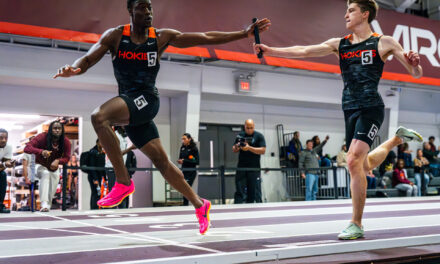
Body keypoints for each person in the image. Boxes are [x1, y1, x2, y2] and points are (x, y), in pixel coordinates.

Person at [53, 0, 270, 234]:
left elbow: (205, 37)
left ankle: (123, 182)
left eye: (150, 8)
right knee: (163, 163)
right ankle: (200, 204)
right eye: (142, 7)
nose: (147, 12)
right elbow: (86, 59)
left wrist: (242, 33)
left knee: (99, 117)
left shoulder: (161, 37)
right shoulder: (115, 36)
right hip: (131, 108)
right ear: (130, 11)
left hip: (147, 99)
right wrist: (74, 69)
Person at [254, 0, 423, 239]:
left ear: (365, 14)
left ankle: (356, 223)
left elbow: (415, 73)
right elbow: (305, 51)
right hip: (349, 109)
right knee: (362, 166)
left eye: (351, 10)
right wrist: (271, 50)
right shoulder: (339, 44)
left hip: (371, 107)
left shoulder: (383, 42)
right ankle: (396, 139)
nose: (346, 15)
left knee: (353, 160)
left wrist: (415, 65)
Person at [24, 121, 71, 212]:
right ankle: (44, 203)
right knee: (45, 173)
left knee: (54, 182)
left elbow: (67, 158)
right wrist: (41, 151)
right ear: (50, 130)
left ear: (62, 130)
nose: (57, 130)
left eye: (59, 128)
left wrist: (58, 161)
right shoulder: (42, 137)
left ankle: (47, 205)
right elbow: (27, 148)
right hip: (38, 165)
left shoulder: (65, 141)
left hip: (53, 168)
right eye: (54, 128)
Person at [232, 119, 266, 204]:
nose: (249, 130)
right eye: (247, 128)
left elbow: (263, 150)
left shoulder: (259, 136)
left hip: (254, 168)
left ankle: (251, 210)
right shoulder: (240, 135)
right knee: (239, 191)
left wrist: (249, 148)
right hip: (241, 167)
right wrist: (237, 146)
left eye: (251, 128)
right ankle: (237, 209)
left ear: (254, 126)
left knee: (253, 191)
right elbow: (234, 149)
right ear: (244, 127)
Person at [178, 133, 199, 206]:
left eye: (184, 139)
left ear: (189, 139)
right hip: (184, 171)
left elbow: (196, 161)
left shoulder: (194, 148)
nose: (183, 140)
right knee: (184, 189)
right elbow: (180, 158)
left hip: (191, 172)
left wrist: (185, 161)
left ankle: (194, 203)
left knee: (187, 189)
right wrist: (180, 161)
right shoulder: (182, 147)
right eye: (182, 139)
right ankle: (185, 204)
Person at [87, 139, 106, 210]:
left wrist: (105, 178)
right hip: (93, 176)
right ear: (98, 143)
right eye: (102, 142)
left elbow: (103, 166)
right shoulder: (93, 152)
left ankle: (97, 207)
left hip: (99, 176)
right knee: (95, 193)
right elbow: (92, 166)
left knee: (98, 193)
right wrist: (95, 179)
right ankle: (93, 208)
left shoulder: (102, 152)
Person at [0, 128, 15, 213]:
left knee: (2, 175)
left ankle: (0, 204)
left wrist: (8, 163)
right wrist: (5, 164)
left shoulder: (8, 147)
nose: (4, 140)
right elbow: (5, 164)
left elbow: (5, 162)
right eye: (1, 138)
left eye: (6, 138)